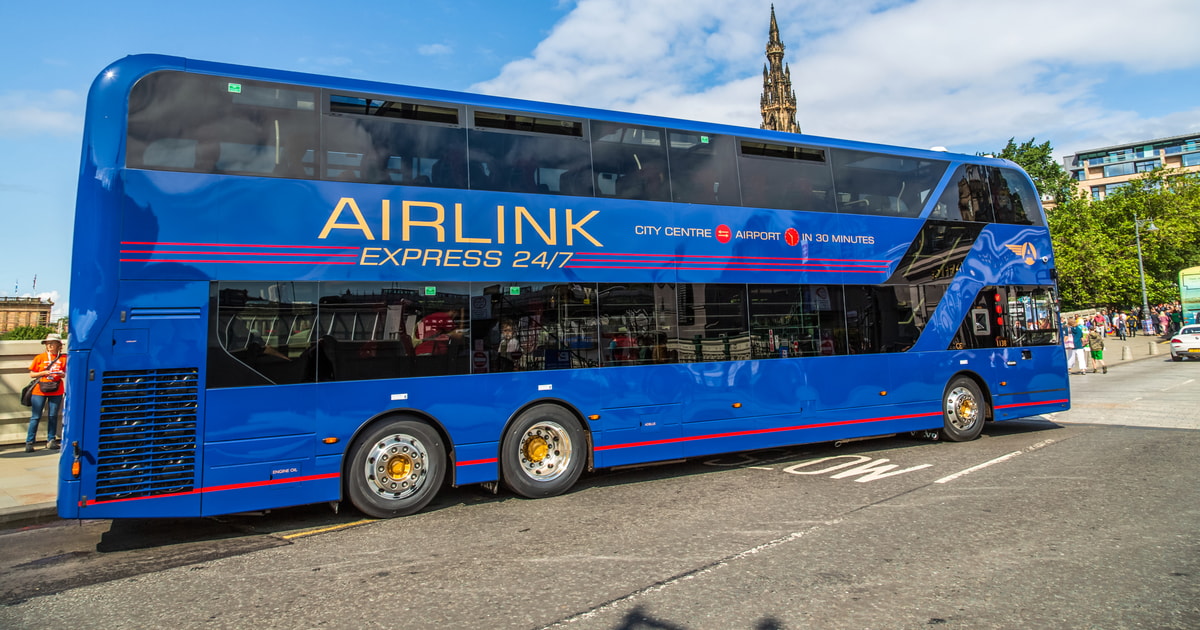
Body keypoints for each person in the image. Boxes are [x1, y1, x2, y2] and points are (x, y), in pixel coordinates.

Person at [27, 333, 67, 452]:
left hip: (56, 389)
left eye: (52, 343)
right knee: (35, 416)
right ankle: (29, 442)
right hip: (40, 390)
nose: (49, 345)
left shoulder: (63, 358)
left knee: (53, 416)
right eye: (47, 343)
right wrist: (43, 373)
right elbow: (32, 374)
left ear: (58, 345)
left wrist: (61, 374)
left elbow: (66, 373)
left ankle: (51, 440)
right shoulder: (40, 357)